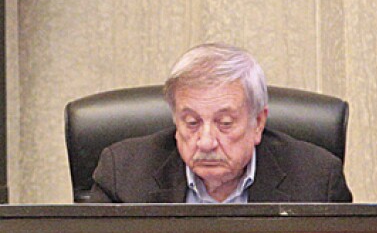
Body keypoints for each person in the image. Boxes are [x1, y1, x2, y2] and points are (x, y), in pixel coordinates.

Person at [89, 43, 352, 203]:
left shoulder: (317, 180)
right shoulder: (122, 174)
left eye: (224, 124)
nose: (205, 142)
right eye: (191, 123)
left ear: (258, 123)